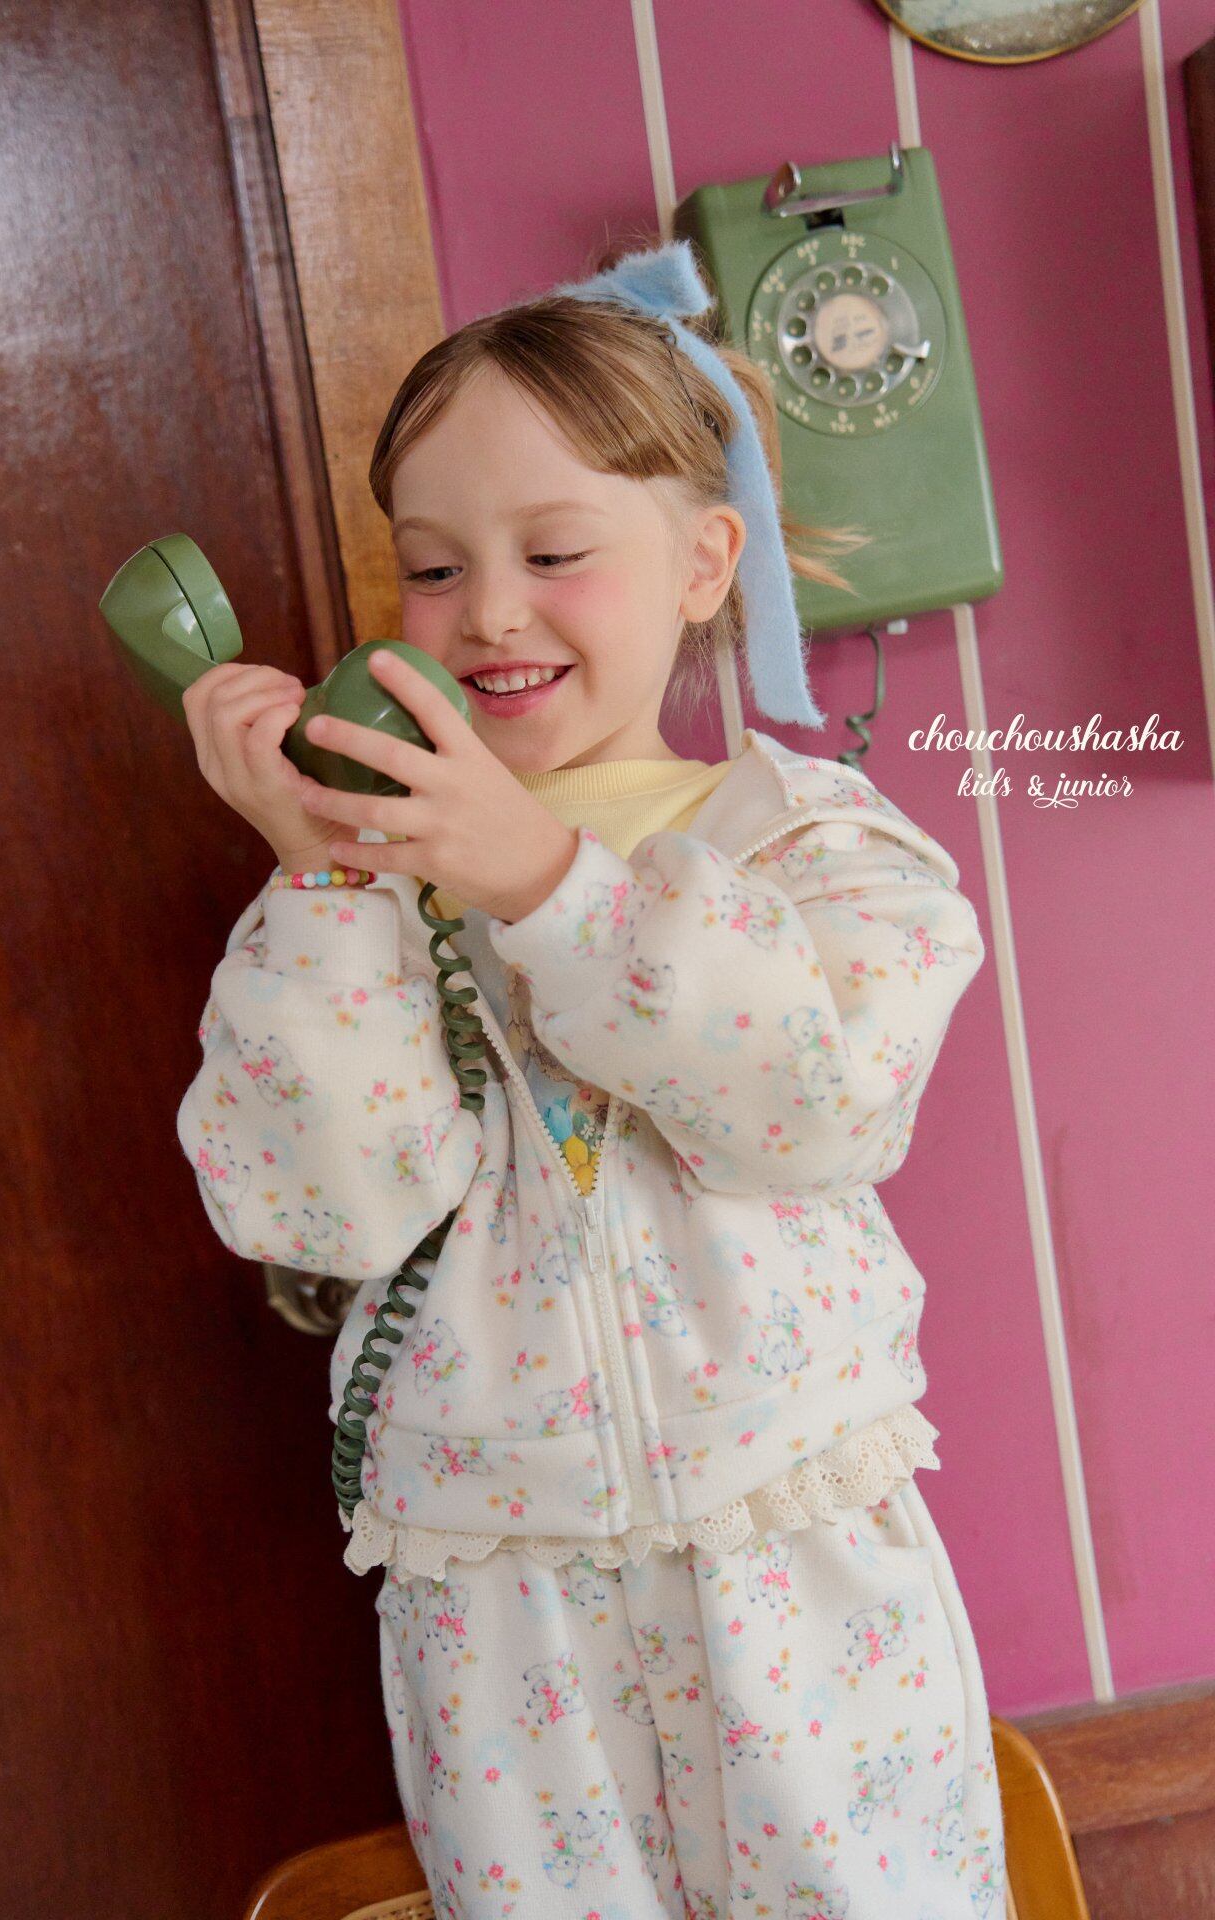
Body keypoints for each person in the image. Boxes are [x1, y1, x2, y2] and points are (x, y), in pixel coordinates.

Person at [177, 239, 1005, 1918]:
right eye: (431, 568)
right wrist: (323, 870)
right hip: (502, 1602)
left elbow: (813, 1104)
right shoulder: (374, 889)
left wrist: (550, 886)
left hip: (786, 1565)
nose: (489, 610)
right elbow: (321, 1213)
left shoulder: (814, 848)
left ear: (704, 562)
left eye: (554, 552)